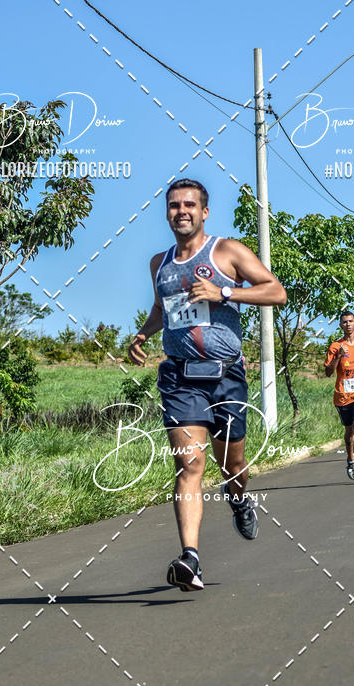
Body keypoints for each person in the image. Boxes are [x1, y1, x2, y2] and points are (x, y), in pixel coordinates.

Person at [129, 179, 286, 591]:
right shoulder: (158, 264)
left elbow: (276, 292)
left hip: (226, 376)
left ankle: (238, 500)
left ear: (204, 212)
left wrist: (225, 291)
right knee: (189, 464)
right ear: (167, 212)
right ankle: (191, 559)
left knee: (232, 467)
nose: (182, 211)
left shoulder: (227, 251)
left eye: (190, 205)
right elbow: (162, 308)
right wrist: (144, 334)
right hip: (181, 378)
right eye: (174, 205)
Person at [324, 310, 354, 480]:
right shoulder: (335, 346)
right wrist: (338, 356)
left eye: (351, 321)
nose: (348, 324)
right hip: (343, 395)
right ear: (340, 325)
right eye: (344, 322)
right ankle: (350, 460)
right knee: (348, 431)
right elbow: (328, 372)